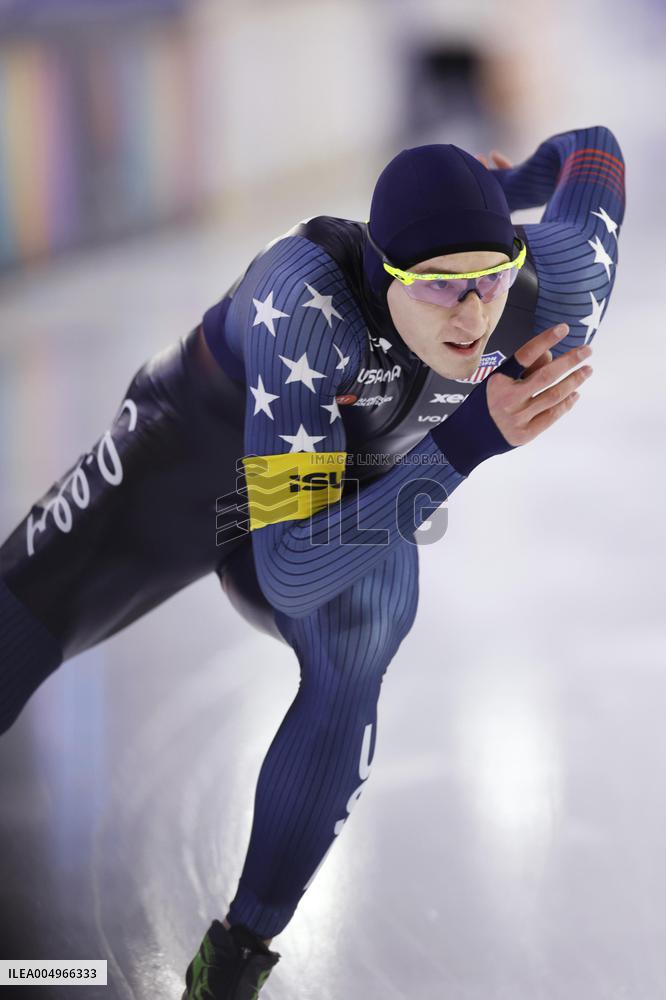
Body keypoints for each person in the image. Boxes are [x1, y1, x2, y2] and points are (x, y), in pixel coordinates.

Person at [0, 124, 625, 999]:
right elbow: (289, 565)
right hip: (188, 466)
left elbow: (593, 149)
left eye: (487, 279)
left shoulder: (558, 283)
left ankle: (234, 959)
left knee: (369, 619)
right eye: (439, 288)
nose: (473, 312)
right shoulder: (306, 303)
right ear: (384, 274)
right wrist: (470, 440)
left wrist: (514, 180)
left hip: (332, 489)